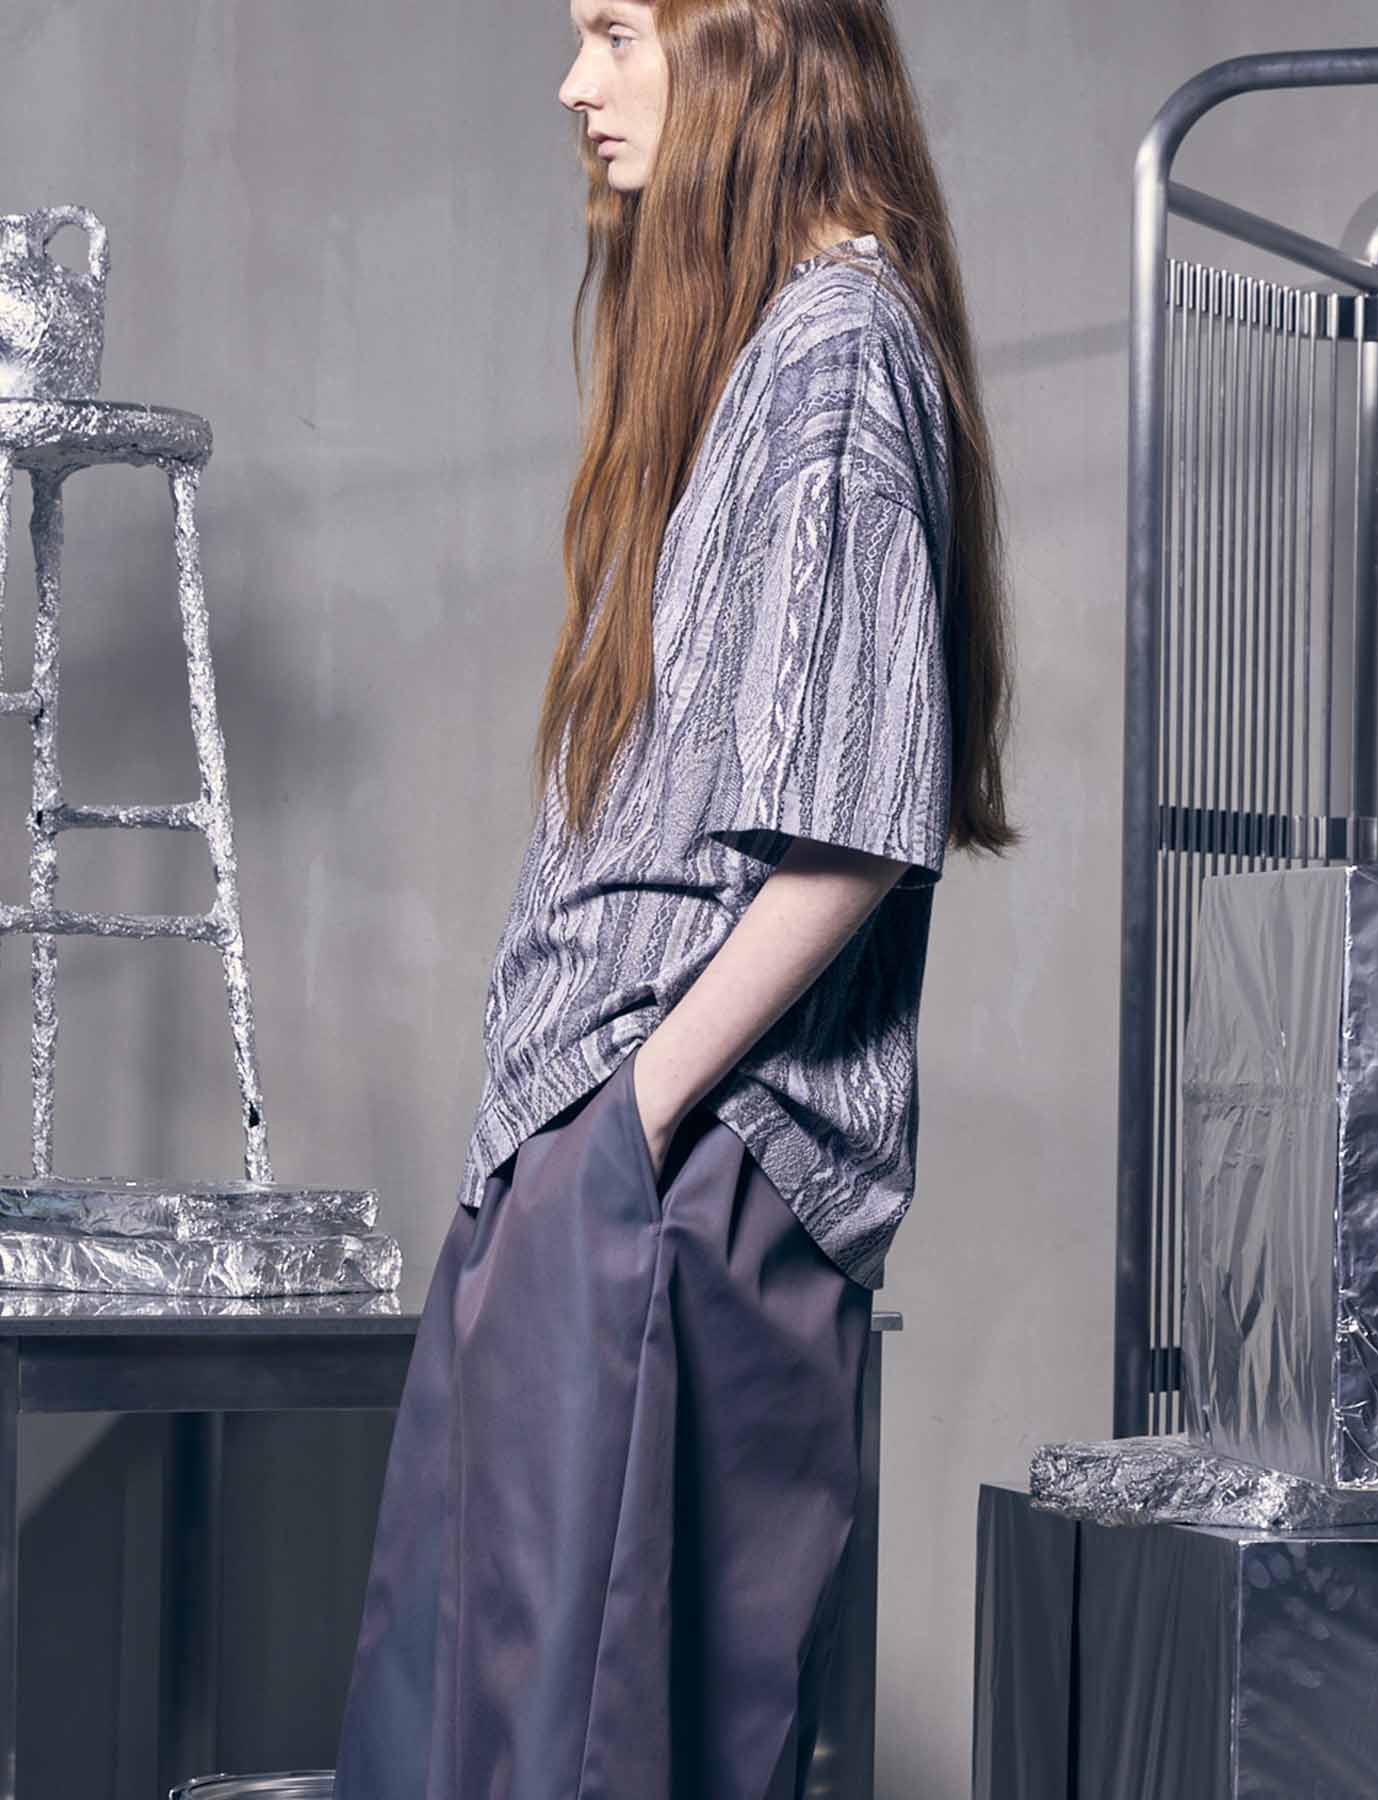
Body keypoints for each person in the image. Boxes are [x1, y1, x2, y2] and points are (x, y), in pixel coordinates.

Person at [333, 1, 1021, 1794]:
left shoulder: (838, 351)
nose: (576, 84)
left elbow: (858, 822)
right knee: (492, 1739)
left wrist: (629, 1122)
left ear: (750, 43)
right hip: (603, 1157)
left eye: (616, 33)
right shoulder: (778, 344)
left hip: (679, 1167)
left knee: (590, 1752)